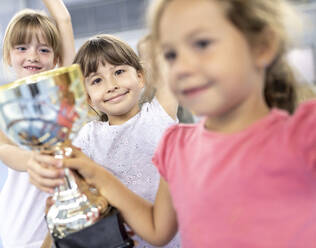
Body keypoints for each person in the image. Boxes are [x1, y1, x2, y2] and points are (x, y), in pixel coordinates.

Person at [48, 0, 316, 247]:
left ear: (261, 46)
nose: (183, 66)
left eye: (201, 44)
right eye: (171, 54)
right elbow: (156, 229)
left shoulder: (304, 132)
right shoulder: (176, 146)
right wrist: (88, 175)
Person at [28, 34, 181, 247]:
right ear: (87, 97)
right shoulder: (88, 137)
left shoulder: (159, 113)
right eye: (97, 80)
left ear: (140, 77)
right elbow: (70, 193)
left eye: (119, 72)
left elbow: (166, 55)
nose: (111, 85)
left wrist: (149, 50)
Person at [0, 1, 75, 247]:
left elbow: (63, 19)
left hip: (72, 217)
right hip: (24, 225)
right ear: (8, 55)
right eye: (22, 47)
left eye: (44, 50)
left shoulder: (65, 91)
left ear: (56, 58)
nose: (32, 56)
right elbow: (4, 149)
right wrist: (33, 161)